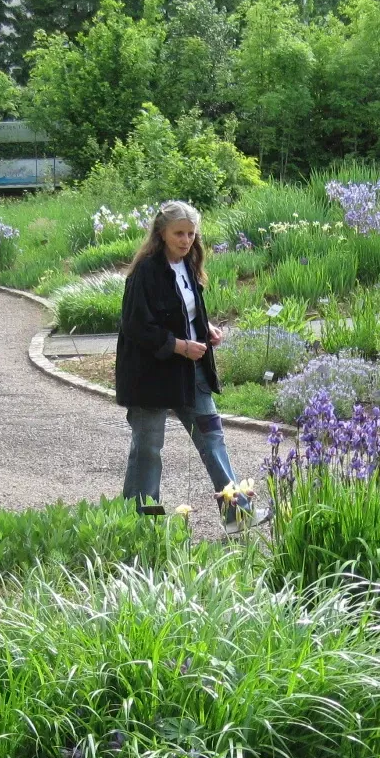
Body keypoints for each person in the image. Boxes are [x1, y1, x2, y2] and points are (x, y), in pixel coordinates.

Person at [115, 200, 270, 533]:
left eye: (190, 233)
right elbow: (135, 326)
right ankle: (143, 526)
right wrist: (179, 346)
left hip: (190, 371)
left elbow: (186, 309)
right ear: (161, 233)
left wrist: (205, 328)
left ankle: (237, 514)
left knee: (212, 439)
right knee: (148, 451)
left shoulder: (189, 264)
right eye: (178, 234)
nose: (185, 240)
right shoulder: (145, 272)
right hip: (150, 376)